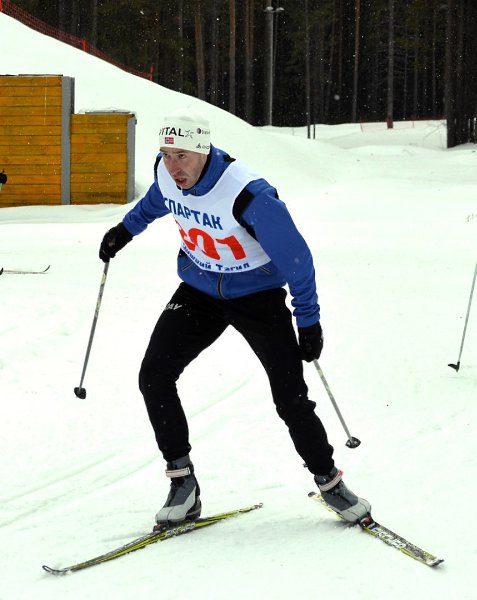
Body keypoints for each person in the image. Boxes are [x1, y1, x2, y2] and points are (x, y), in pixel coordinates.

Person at [100, 108, 370, 528]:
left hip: (257, 295)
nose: (173, 166)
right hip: (200, 290)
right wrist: (126, 229)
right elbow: (157, 199)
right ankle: (182, 484)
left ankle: (330, 482)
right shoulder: (167, 174)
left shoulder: (247, 194)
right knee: (154, 375)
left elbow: (297, 260)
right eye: (166, 155)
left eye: (182, 156)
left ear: (203, 151)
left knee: (290, 397)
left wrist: (308, 321)